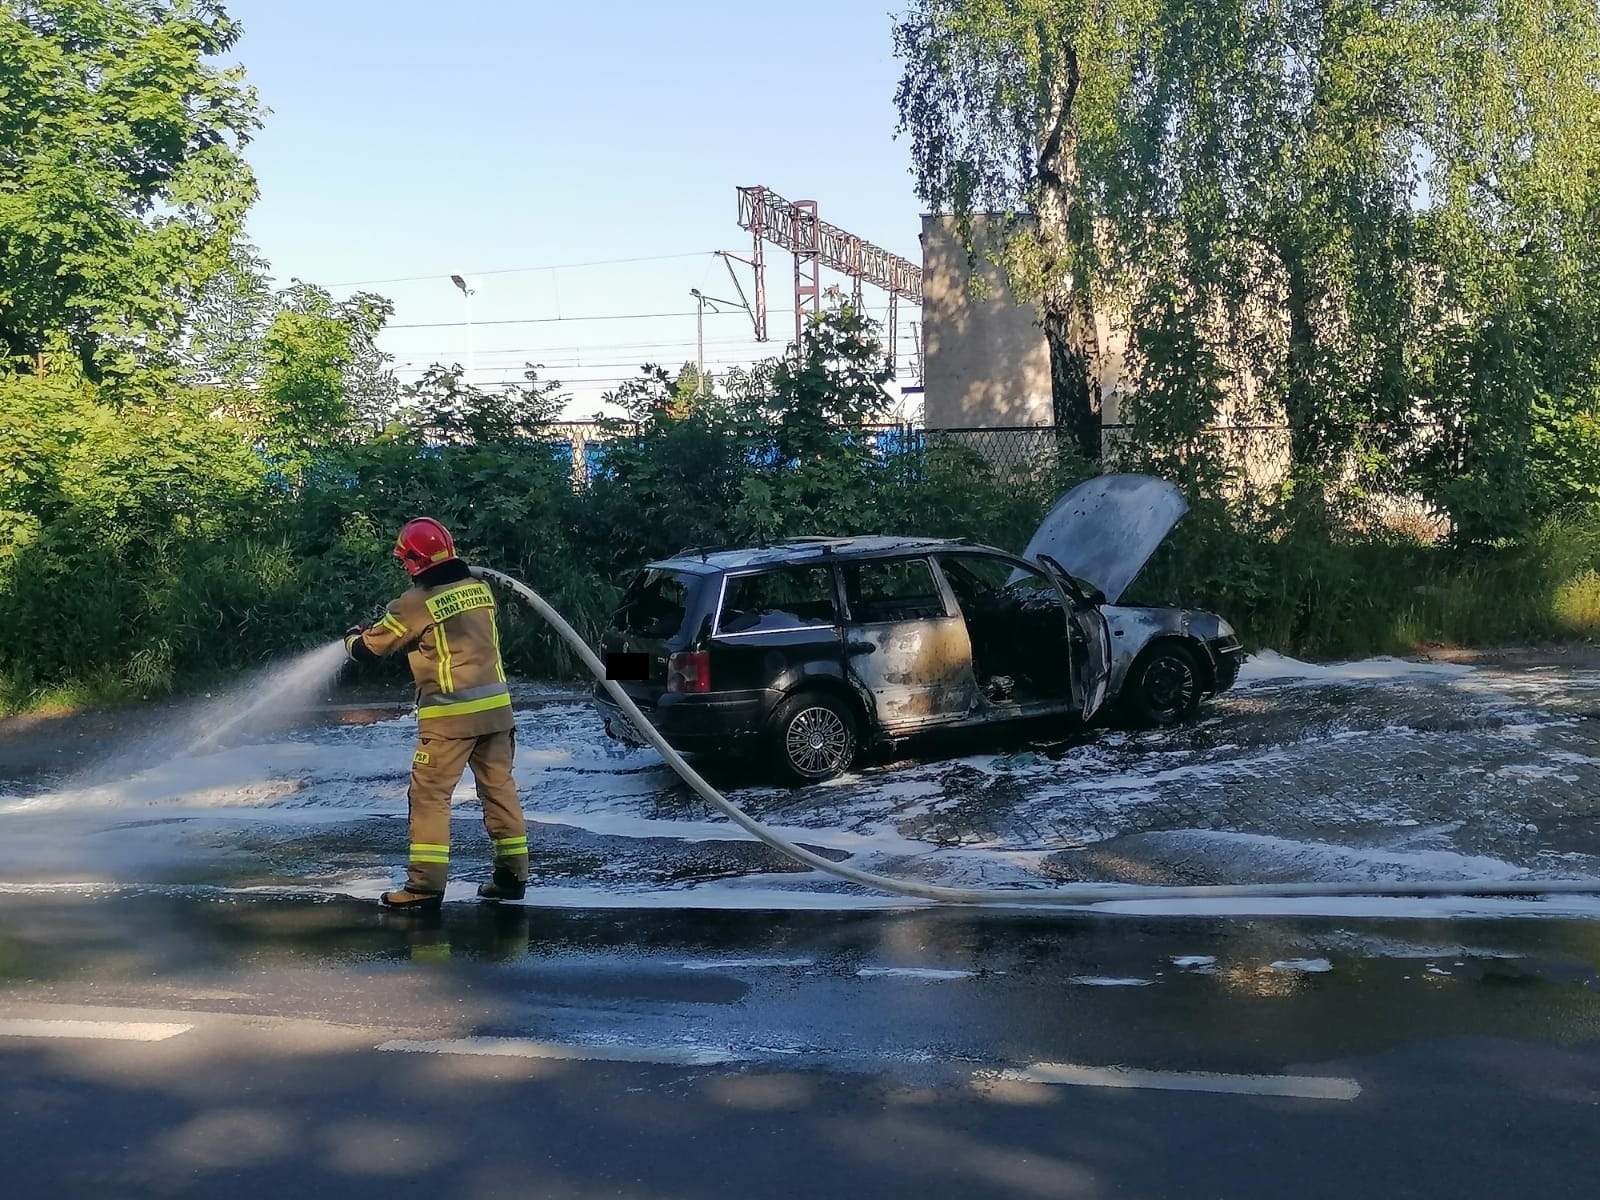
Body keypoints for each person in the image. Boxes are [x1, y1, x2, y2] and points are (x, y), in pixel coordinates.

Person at [344, 517, 529, 912]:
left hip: (449, 719)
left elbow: (370, 649)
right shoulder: (479, 590)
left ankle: (424, 887)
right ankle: (512, 877)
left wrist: (351, 638)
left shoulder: (413, 603)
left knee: (429, 798)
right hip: (497, 713)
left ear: (413, 561)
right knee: (499, 792)